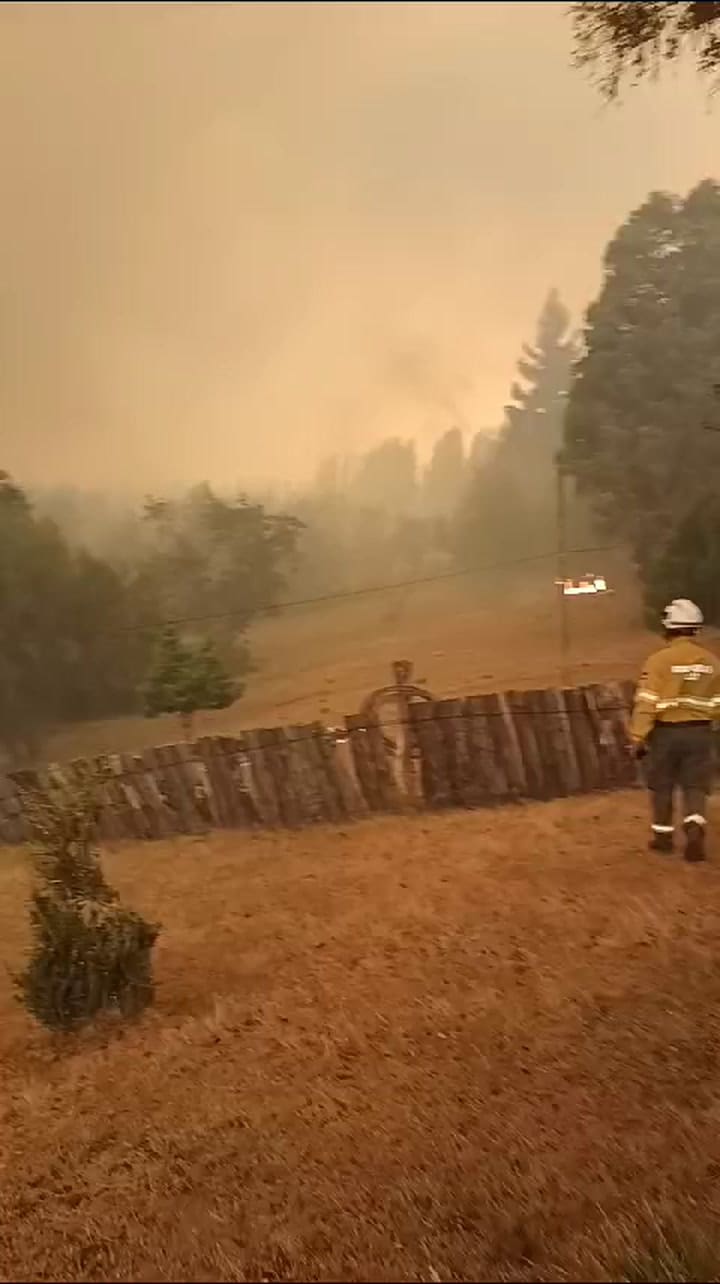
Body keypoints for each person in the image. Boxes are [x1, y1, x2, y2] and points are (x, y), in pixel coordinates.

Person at [629, 599, 720, 862]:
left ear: (668, 628)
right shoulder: (712, 662)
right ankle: (694, 827)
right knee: (695, 785)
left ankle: (663, 838)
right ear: (696, 629)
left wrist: (638, 736)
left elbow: (647, 702)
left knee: (662, 785)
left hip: (666, 734)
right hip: (700, 733)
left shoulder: (658, 661)